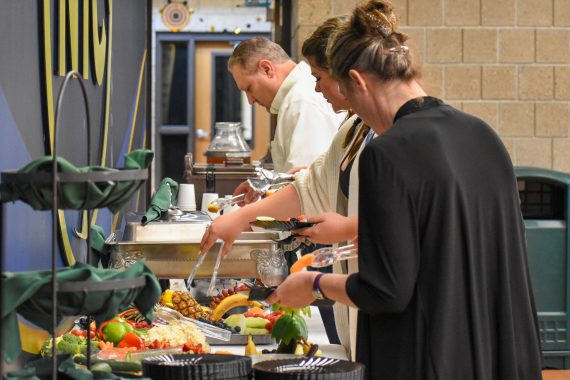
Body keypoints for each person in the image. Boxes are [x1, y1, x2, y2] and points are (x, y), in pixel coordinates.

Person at [266, 1, 543, 379]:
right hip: (493, 354)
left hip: (427, 357)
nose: (359, 118)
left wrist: (313, 284)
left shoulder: (388, 152)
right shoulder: (481, 134)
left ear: (358, 81)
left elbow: (386, 291)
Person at [201, 17, 371, 356]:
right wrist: (259, 196)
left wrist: (347, 230)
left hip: (353, 263)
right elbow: (310, 180)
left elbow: (314, 198)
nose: (318, 88)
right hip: (346, 260)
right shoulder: (353, 126)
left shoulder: (305, 103)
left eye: (321, 78)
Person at [227, 37, 343, 173]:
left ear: (266, 69)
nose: (250, 101)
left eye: (249, 88)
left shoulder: (301, 100)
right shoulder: (295, 98)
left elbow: (304, 184)